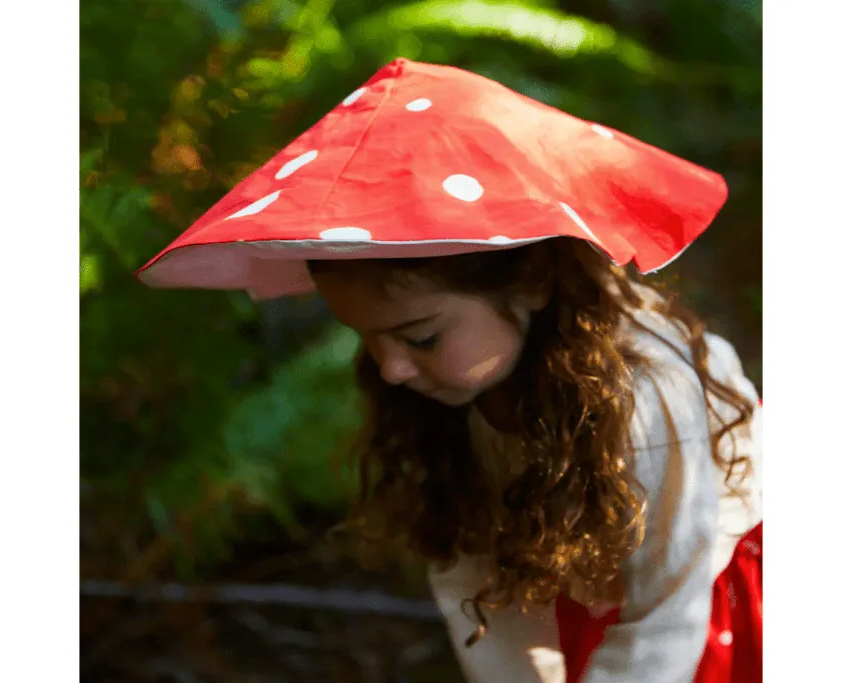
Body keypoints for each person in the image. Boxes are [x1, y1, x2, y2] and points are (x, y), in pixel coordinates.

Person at [137, 58, 763, 683]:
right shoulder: (446, 398)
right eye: (368, 341)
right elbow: (476, 577)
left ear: (534, 283)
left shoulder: (646, 389)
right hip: (592, 587)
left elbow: (668, 603)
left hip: (704, 598)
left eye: (421, 337)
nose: (390, 371)